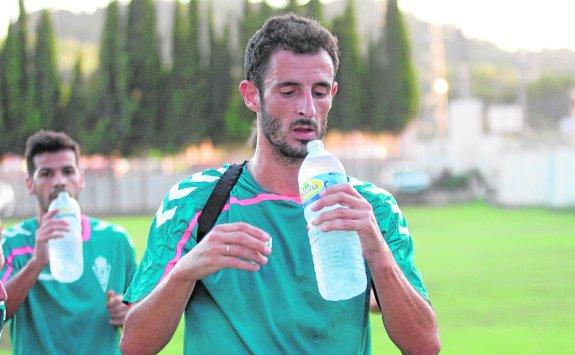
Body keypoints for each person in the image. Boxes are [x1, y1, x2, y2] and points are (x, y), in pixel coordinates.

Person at [121, 13, 440, 354]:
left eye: (319, 92)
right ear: (251, 95)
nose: (307, 108)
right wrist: (186, 271)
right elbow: (134, 345)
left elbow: (425, 346)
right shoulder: (197, 201)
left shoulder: (370, 207)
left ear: (333, 93)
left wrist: (377, 252)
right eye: (288, 91)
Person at [0, 130, 137, 354]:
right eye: (46, 174)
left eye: (67, 171)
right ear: (29, 184)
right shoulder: (13, 243)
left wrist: (128, 313)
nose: (59, 182)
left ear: (81, 178)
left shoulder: (115, 241)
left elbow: (143, 313)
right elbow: (1, 311)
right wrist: (37, 262)